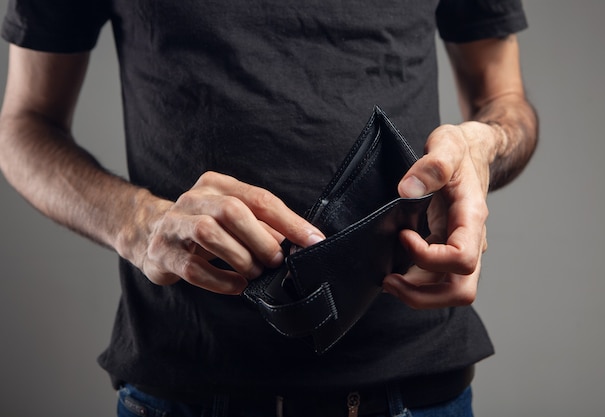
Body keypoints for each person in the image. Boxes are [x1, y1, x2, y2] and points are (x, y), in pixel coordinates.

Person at [0, 0, 537, 416]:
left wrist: (483, 147)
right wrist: (140, 225)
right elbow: (23, 127)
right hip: (187, 386)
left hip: (414, 388)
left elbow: (506, 102)